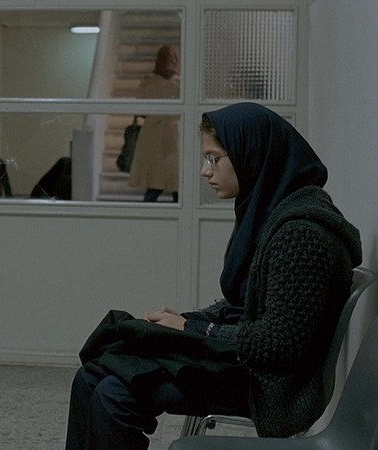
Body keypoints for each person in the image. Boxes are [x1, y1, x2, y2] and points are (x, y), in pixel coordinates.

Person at [65, 102, 362, 449]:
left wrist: (194, 330)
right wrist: (187, 322)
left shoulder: (301, 235)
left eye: (214, 158)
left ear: (251, 155)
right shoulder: (273, 210)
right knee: (92, 374)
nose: (206, 171)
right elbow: (242, 303)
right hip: (245, 365)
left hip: (268, 385)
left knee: (113, 391)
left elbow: (278, 345)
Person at [127, 44, 181, 202]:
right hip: (173, 132)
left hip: (155, 132)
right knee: (174, 180)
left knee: (157, 179)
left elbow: (141, 108)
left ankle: (147, 210)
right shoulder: (179, 83)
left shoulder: (148, 82)